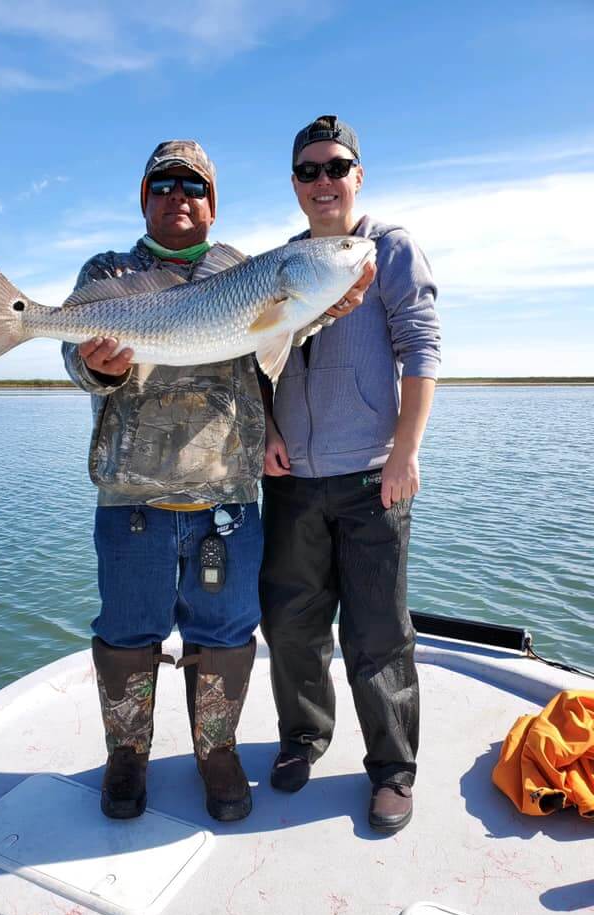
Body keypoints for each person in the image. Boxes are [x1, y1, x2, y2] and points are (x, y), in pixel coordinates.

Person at [62, 140, 266, 823]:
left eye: (194, 186)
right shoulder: (109, 270)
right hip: (133, 499)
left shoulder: (244, 269)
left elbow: (274, 360)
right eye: (164, 184)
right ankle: (128, 756)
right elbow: (75, 357)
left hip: (227, 501)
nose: (179, 195)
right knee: (127, 631)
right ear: (144, 197)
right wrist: (99, 366)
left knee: (228, 631)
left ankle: (217, 751)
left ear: (213, 202)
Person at [259, 115, 441, 833]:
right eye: (308, 170)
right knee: (294, 625)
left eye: (336, 167)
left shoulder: (388, 249)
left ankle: (392, 769)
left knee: (378, 632)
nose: (323, 181)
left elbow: (422, 351)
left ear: (358, 175)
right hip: (294, 478)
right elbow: (257, 359)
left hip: (372, 478)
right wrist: (271, 430)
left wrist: (405, 452)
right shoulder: (279, 262)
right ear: (296, 185)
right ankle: (303, 737)